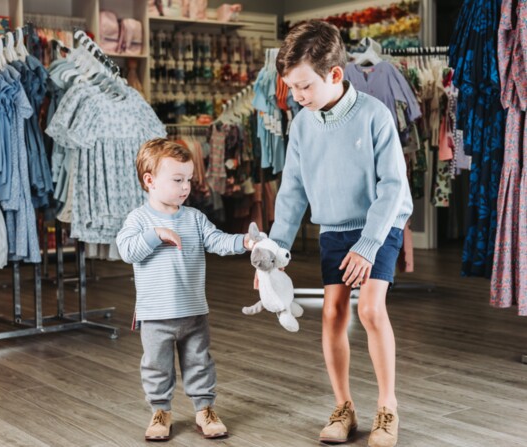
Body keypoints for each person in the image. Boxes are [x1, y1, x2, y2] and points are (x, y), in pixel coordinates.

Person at [267, 21, 413, 447]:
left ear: (334, 74)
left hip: (378, 225)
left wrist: (368, 246)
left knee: (369, 310)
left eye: (303, 87)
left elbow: (393, 189)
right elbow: (291, 191)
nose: (296, 96)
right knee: (332, 313)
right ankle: (344, 407)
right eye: (291, 88)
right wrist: (275, 249)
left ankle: (387, 407)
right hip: (334, 227)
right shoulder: (301, 125)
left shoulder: (375, 114)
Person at [116, 138, 251, 442]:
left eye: (188, 179)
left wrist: (243, 242)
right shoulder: (139, 220)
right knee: (157, 367)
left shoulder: (194, 218)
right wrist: (156, 234)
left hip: (193, 312)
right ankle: (161, 411)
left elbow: (217, 241)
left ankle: (205, 409)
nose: (185, 187)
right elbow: (127, 250)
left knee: (200, 362)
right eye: (177, 180)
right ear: (149, 181)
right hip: (155, 315)